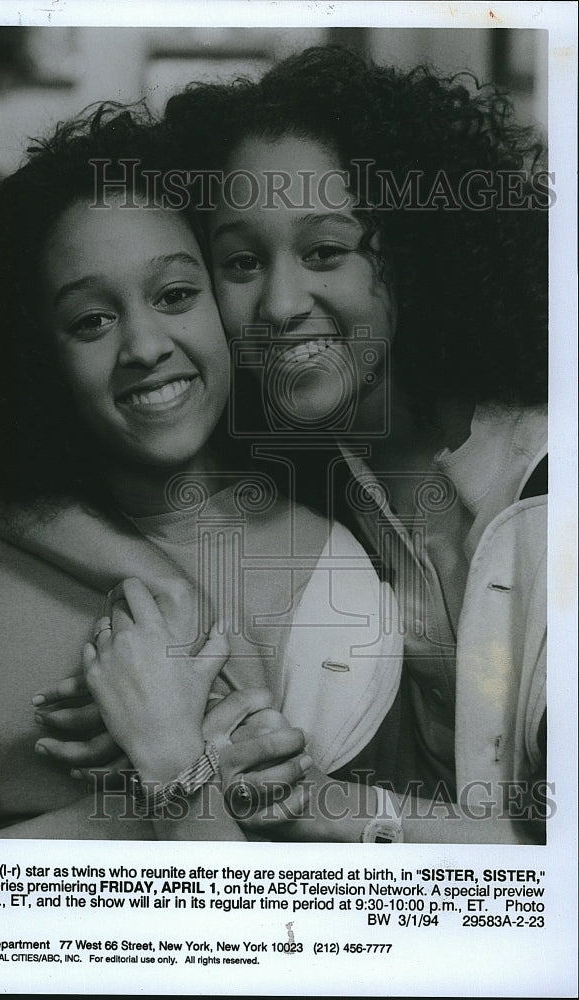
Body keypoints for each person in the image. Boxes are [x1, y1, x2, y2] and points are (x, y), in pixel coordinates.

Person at [0, 104, 400, 839]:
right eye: (90, 321)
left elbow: (331, 923)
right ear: (36, 358)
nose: (143, 345)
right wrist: (147, 797)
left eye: (175, 296)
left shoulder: (338, 578)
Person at [39, 46, 549, 843]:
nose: (278, 303)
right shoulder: (309, 466)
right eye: (241, 261)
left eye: (325, 251)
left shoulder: (550, 494)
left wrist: (314, 801)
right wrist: (156, 695)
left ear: (416, 249)